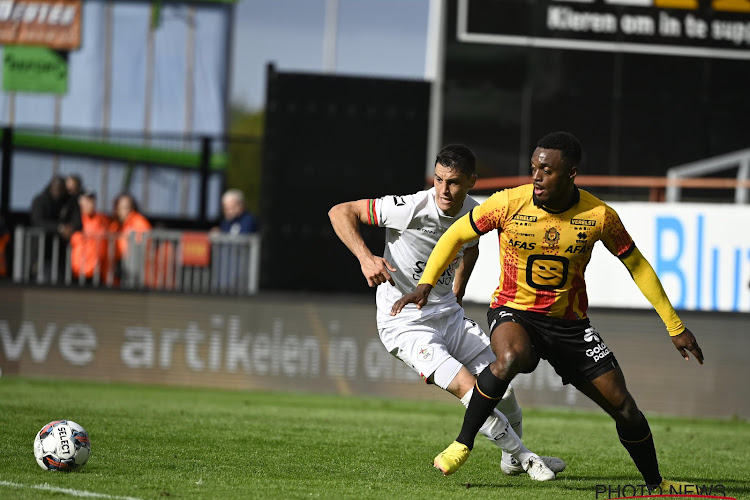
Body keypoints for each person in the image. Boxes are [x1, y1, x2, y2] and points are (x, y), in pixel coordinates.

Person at [391, 132, 704, 492]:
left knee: (624, 407)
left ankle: (657, 484)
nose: (536, 176)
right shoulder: (508, 204)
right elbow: (455, 235)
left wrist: (674, 325)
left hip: (570, 325)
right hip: (514, 311)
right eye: (534, 167)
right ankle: (463, 442)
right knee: (512, 357)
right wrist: (426, 283)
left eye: (546, 170)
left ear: (571, 173)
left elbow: (638, 265)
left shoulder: (600, 216)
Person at [329, 144, 565, 480]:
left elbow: (472, 247)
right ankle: (527, 459)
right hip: (405, 322)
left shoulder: (474, 211)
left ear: (471, 181)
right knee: (469, 388)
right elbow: (340, 212)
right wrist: (366, 259)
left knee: (504, 388)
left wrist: (458, 290)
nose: (443, 189)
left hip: (447, 314)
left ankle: (511, 460)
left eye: (453, 182)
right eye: (438, 180)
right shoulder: (408, 208)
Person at [70, 191, 112, 284]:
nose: (90, 204)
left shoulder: (103, 219)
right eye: (87, 201)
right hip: (79, 270)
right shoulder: (75, 220)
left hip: (98, 270)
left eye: (92, 201)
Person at [111, 193, 152, 284]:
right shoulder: (116, 225)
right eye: (120, 207)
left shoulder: (139, 222)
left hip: (132, 263)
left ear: (132, 207)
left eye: (126, 207)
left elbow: (144, 242)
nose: (122, 210)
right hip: (118, 261)